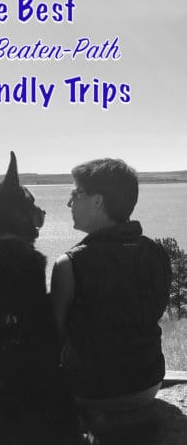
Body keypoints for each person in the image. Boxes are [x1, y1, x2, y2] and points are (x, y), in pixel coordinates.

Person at [51, 158, 172, 415]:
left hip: (92, 393)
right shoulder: (157, 253)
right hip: (148, 385)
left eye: (76, 193)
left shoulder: (70, 264)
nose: (69, 202)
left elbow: (54, 338)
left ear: (98, 201)